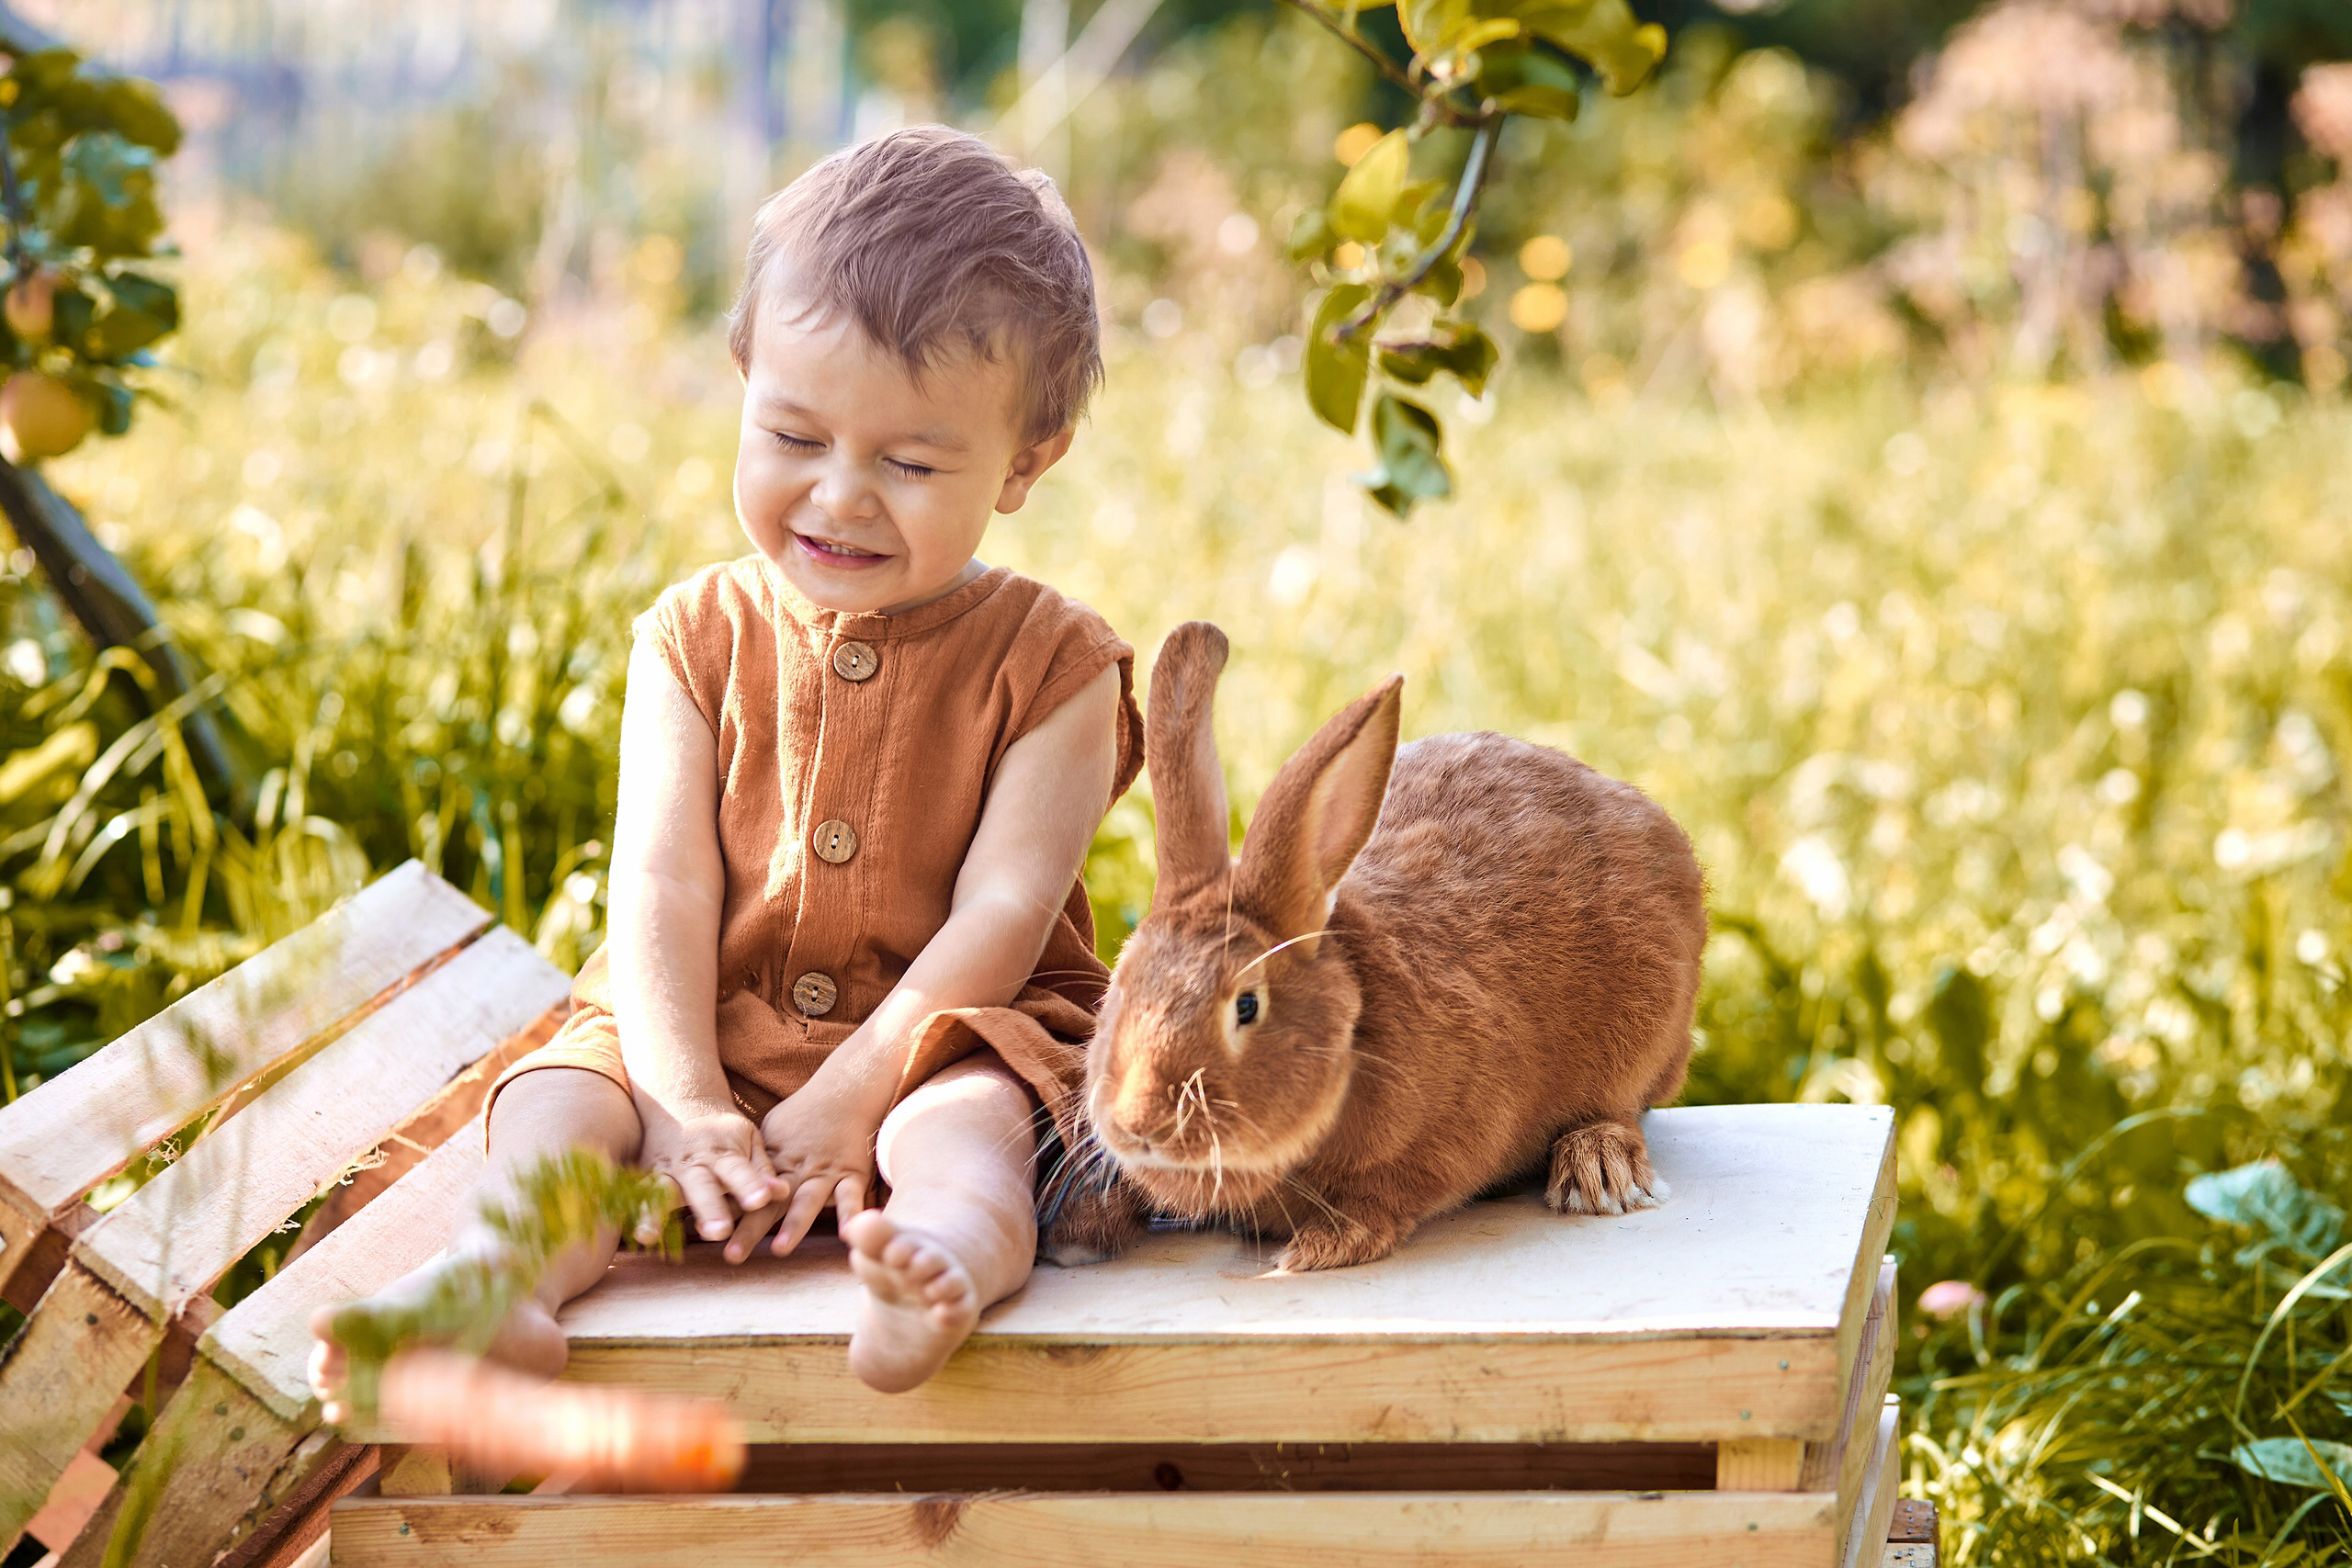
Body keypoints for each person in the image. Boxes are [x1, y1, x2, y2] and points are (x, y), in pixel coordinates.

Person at [311, 125, 1140, 1401]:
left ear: (1027, 462)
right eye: (793, 435)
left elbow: (1008, 911)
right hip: (687, 1022)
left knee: (973, 1129)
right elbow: (659, 885)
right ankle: (494, 1281)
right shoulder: (692, 637)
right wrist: (683, 1094)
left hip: (935, 1036)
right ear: (744, 377)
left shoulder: (1057, 665)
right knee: (562, 1114)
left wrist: (864, 1085)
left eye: (911, 463)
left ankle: (936, 1262)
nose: (841, 496)